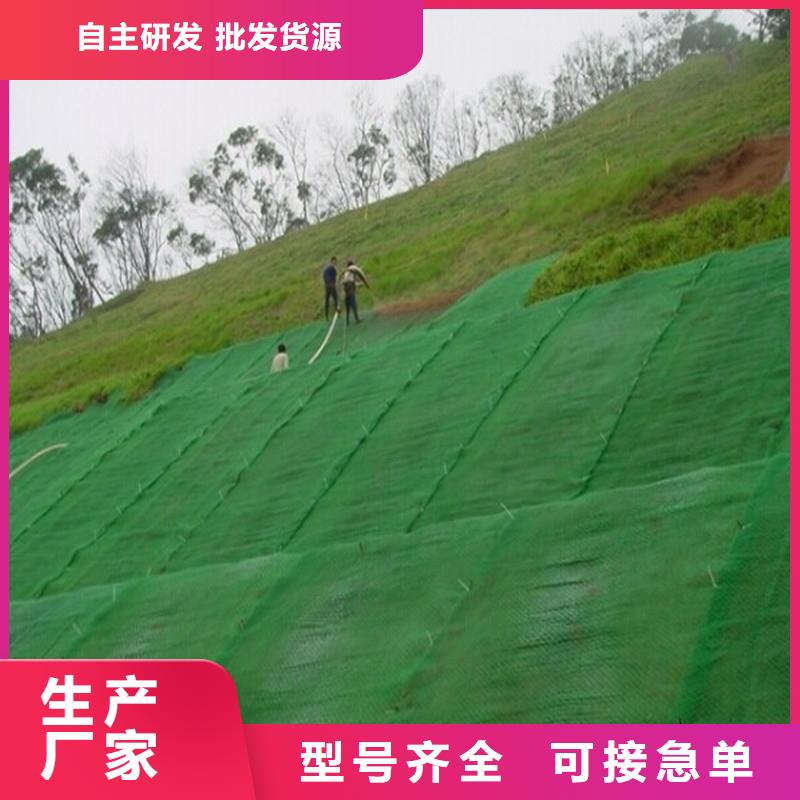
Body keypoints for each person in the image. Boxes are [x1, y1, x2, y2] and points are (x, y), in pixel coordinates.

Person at [340, 260, 370, 325]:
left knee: (347, 301)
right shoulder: (354, 267)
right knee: (353, 301)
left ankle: (347, 320)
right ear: (352, 264)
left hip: (346, 286)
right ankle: (357, 319)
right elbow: (362, 275)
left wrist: (358, 285)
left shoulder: (346, 272)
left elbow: (351, 282)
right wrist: (367, 284)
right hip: (349, 286)